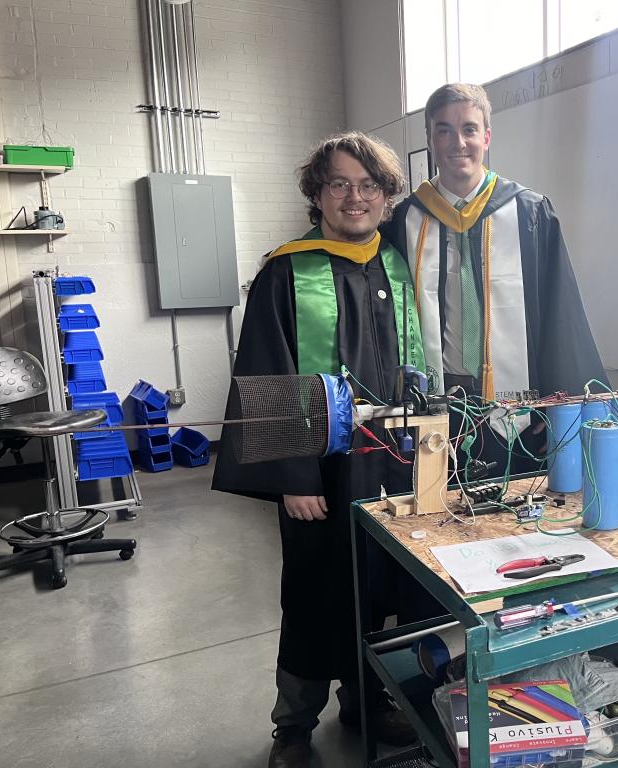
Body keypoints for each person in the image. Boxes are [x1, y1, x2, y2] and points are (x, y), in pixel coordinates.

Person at [212, 132, 423, 768]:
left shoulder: (397, 265)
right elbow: (269, 370)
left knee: (386, 589)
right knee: (315, 592)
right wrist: (293, 477)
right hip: (321, 475)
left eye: (369, 185)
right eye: (340, 184)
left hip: (393, 465)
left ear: (386, 197)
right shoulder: (287, 268)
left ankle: (368, 698)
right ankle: (295, 726)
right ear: (318, 194)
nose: (354, 197)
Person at [384, 83, 606, 468]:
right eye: (444, 130)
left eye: (469, 129)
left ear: (486, 137)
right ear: (430, 140)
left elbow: (560, 312)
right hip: (433, 405)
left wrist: (561, 401)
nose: (458, 142)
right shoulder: (404, 220)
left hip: (517, 412)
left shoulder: (528, 213)